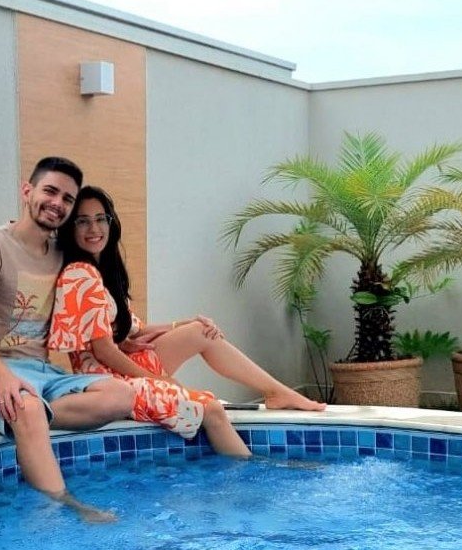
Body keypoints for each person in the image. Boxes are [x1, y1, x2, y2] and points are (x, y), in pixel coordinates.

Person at [48, 185, 325, 456]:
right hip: (108, 383)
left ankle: (276, 392)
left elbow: (133, 332)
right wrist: (156, 379)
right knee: (211, 409)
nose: (94, 229)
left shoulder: (101, 271)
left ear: (111, 222)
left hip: (121, 368)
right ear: (71, 228)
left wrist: (184, 324)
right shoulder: (80, 274)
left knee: (201, 331)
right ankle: (247, 473)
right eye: (83, 221)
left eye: (100, 219)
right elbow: (103, 350)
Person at [0, 159, 134, 519]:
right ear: (27, 191)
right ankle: (67, 505)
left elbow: (100, 312)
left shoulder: (63, 254)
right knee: (27, 407)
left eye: (67, 198)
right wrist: (4, 380)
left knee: (121, 394)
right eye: (50, 191)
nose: (57, 203)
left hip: (43, 372)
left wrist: (158, 330)